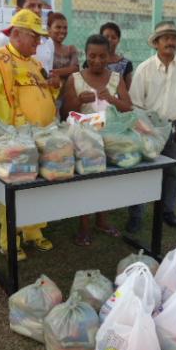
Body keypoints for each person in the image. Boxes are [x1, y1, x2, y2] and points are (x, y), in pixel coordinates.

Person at [0, 9, 58, 261]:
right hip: (13, 139)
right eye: (34, 37)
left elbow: (42, 96)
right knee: (14, 192)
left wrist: (53, 90)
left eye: (40, 38)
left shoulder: (35, 63)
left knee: (39, 188)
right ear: (15, 34)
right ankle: (9, 239)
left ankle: (34, 232)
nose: (39, 43)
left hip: (42, 137)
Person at [126, 21, 176, 233]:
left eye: (174, 38)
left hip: (174, 128)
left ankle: (167, 211)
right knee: (142, 172)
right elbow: (135, 104)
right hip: (147, 127)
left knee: (171, 172)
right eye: (166, 38)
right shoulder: (144, 69)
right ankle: (136, 215)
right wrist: (145, 130)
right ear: (156, 43)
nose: (171, 42)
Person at [62, 35, 132, 245]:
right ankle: (84, 225)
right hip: (85, 143)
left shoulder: (116, 78)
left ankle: (102, 219)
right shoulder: (75, 78)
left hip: (111, 139)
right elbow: (65, 112)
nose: (97, 61)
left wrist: (112, 99)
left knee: (107, 182)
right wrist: (77, 100)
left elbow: (128, 107)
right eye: (92, 56)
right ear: (86, 55)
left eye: (103, 56)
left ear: (109, 56)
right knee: (86, 183)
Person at [0, 0, 54, 75]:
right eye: (31, 6)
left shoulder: (48, 40)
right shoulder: (5, 37)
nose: (37, 10)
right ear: (18, 10)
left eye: (40, 6)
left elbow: (49, 72)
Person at [100, 22, 133, 88]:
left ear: (118, 40)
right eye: (106, 37)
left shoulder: (126, 64)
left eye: (113, 37)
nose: (109, 40)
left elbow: (129, 90)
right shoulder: (91, 62)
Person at [48, 12, 79, 83]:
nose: (62, 31)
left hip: (67, 91)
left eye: (65, 28)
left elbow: (75, 70)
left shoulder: (71, 49)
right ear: (49, 29)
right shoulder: (43, 48)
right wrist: (67, 70)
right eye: (58, 27)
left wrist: (53, 72)